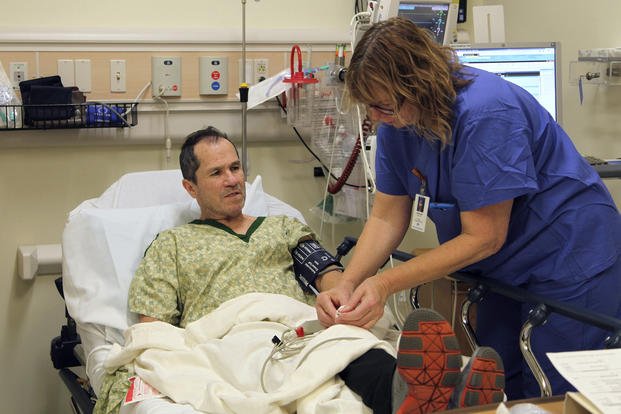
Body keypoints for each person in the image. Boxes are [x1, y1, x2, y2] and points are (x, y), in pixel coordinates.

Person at [94, 126, 504, 414]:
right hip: (235, 337)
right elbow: (154, 331)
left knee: (345, 340)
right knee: (309, 356)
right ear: (190, 188)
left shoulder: (283, 227)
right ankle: (422, 395)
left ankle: (421, 391)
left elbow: (330, 279)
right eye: (217, 173)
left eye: (236, 167)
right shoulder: (173, 244)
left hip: (301, 325)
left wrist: (340, 304)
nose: (233, 180)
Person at [315, 17, 621, 401]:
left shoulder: (486, 113)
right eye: (370, 108)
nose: (375, 118)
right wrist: (349, 282)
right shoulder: (396, 123)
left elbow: (484, 236)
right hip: (503, 269)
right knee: (500, 383)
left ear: (419, 85)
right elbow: (386, 215)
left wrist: (385, 283)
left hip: (570, 256)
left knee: (559, 391)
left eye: (383, 106)